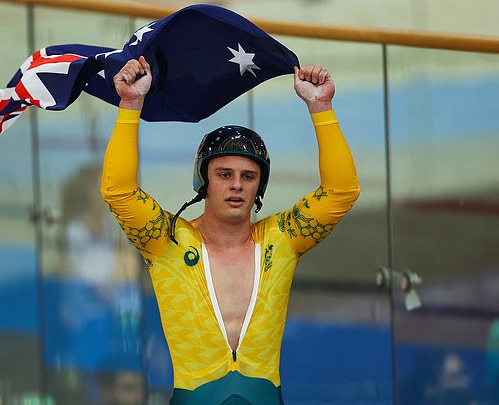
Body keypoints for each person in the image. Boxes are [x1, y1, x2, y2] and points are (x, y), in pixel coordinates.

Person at [101, 56, 360, 404]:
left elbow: (341, 192)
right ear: (203, 181)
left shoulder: (280, 240)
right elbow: (118, 191)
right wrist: (131, 104)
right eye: (224, 174)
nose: (236, 185)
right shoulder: (167, 242)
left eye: (248, 176)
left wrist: (321, 106)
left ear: (259, 188)